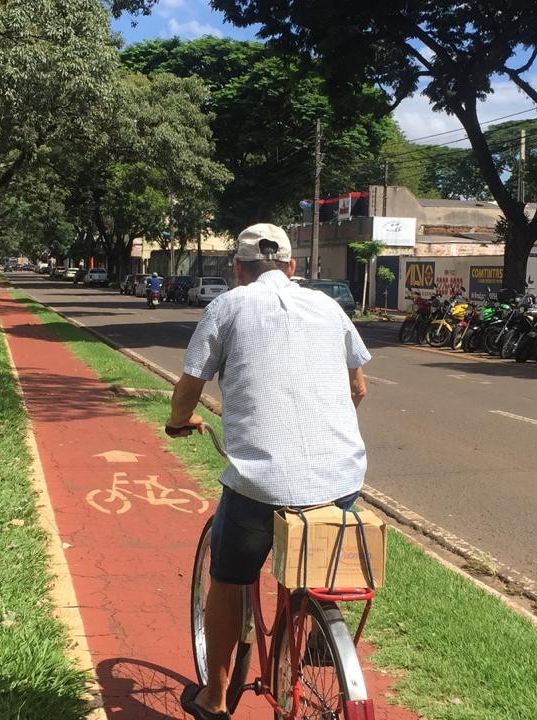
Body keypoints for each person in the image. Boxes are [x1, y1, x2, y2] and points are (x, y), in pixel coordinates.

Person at [165, 223, 370, 720]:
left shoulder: (228, 306)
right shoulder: (328, 306)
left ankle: (214, 698)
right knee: (310, 569)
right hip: (339, 480)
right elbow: (358, 388)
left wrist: (177, 423)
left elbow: (190, 387)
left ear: (238, 269)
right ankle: (314, 637)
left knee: (230, 579)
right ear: (293, 268)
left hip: (258, 486)